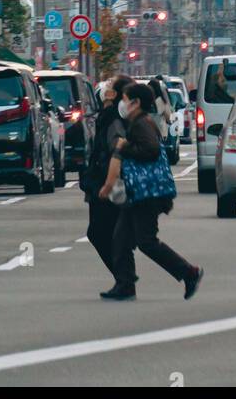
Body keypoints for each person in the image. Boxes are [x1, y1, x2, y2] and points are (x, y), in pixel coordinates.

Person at [99, 81, 203, 303]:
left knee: (146, 241)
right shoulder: (138, 122)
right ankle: (125, 285)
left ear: (136, 103)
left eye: (126, 100)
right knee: (120, 239)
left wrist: (124, 147)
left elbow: (151, 149)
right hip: (140, 192)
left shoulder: (141, 124)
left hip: (148, 192)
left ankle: (189, 272)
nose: (123, 104)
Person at [83, 75, 130, 282]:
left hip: (108, 183)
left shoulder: (113, 118)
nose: (105, 86)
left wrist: (109, 183)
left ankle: (124, 278)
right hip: (102, 181)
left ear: (115, 94)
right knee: (110, 234)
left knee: (103, 233)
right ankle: (124, 278)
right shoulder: (107, 115)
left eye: (110, 85)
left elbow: (116, 149)